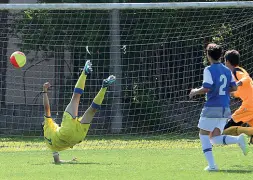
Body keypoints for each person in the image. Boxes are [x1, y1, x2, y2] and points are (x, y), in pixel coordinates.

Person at [42, 60, 116, 164]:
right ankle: (84, 73)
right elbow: (46, 108)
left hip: (78, 137)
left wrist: (69, 161)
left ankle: (104, 87)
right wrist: (44, 91)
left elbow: (57, 161)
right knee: (76, 98)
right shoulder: (47, 126)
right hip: (66, 132)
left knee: (92, 110)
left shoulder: (49, 144)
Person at [189, 43, 248, 171]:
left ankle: (212, 166)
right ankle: (238, 140)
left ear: (208, 56)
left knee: (203, 135)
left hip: (212, 107)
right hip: (224, 108)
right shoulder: (227, 70)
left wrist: (195, 91)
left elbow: (207, 87)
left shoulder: (208, 70)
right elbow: (234, 87)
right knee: (214, 138)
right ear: (221, 56)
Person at [223, 50, 253, 141]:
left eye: (224, 61)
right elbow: (240, 91)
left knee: (227, 129)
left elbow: (246, 79)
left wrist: (239, 83)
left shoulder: (236, 71)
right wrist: (229, 93)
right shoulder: (239, 71)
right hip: (250, 103)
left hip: (249, 104)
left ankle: (241, 139)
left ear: (227, 62)